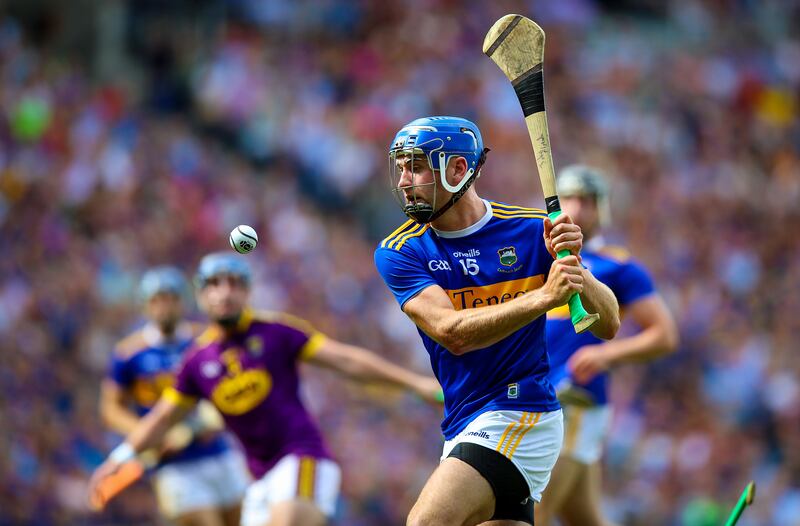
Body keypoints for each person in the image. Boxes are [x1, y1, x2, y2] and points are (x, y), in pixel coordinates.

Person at [373, 116, 621, 526]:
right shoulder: (401, 250)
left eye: (415, 167)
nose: (402, 181)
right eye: (400, 168)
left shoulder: (531, 230)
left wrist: (575, 267)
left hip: (521, 411)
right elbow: (452, 333)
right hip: (463, 420)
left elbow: (608, 324)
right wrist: (543, 297)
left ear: (457, 169)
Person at [89, 253, 442, 526]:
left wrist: (415, 384)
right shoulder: (196, 361)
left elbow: (345, 360)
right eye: (214, 284)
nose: (225, 292)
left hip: (302, 458)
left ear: (247, 291)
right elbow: (163, 418)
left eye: (234, 284)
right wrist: (119, 458)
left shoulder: (275, 331)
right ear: (200, 295)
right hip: (259, 481)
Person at [536, 165, 679, 526]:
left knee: (533, 512)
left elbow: (664, 334)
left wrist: (605, 353)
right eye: (569, 198)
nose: (577, 208)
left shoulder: (618, 266)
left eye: (587, 200)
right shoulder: (536, 257)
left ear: (602, 207)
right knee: (584, 518)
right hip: (536, 397)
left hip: (576, 400)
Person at [100, 266, 249, 526]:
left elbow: (231, 388)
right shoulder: (129, 353)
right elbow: (111, 409)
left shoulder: (205, 339)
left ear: (184, 301)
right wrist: (149, 433)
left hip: (218, 451)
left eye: (171, 299)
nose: (164, 307)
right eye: (157, 300)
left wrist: (208, 422)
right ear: (145, 305)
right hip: (174, 465)